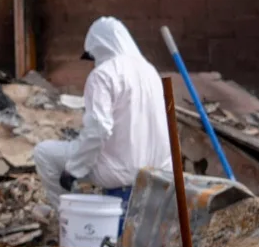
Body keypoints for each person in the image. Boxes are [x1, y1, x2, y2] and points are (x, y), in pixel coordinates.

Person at [32, 17, 168, 203]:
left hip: (120, 172)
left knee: (44, 152)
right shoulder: (150, 71)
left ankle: (70, 215)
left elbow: (99, 129)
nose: (93, 63)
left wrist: (73, 170)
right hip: (157, 171)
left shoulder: (104, 74)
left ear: (98, 48)